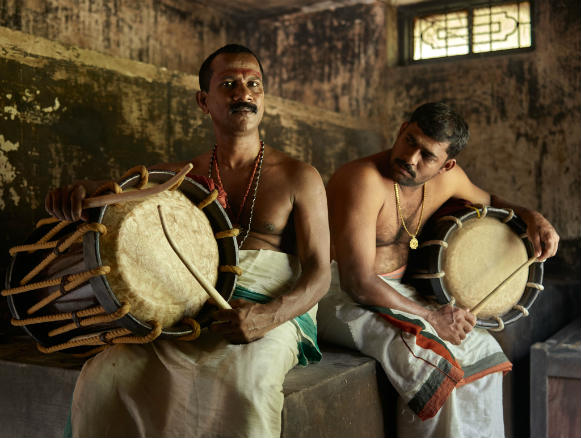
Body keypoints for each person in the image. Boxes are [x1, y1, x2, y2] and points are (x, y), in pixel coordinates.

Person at [46, 44, 331, 437]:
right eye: (228, 84)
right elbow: (119, 192)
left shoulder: (300, 176)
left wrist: (267, 317)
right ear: (203, 101)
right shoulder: (178, 176)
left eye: (254, 84)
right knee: (105, 377)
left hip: (267, 313)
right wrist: (82, 194)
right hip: (190, 314)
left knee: (246, 389)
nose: (244, 93)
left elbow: (320, 274)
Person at [317, 102, 559, 438]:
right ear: (402, 129)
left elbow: (491, 201)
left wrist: (533, 217)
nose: (411, 158)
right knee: (435, 363)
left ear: (447, 166)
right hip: (337, 292)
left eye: (427, 155)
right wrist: (432, 317)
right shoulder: (362, 180)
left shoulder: (449, 180)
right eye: (410, 141)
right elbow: (357, 282)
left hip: (396, 291)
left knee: (482, 351)